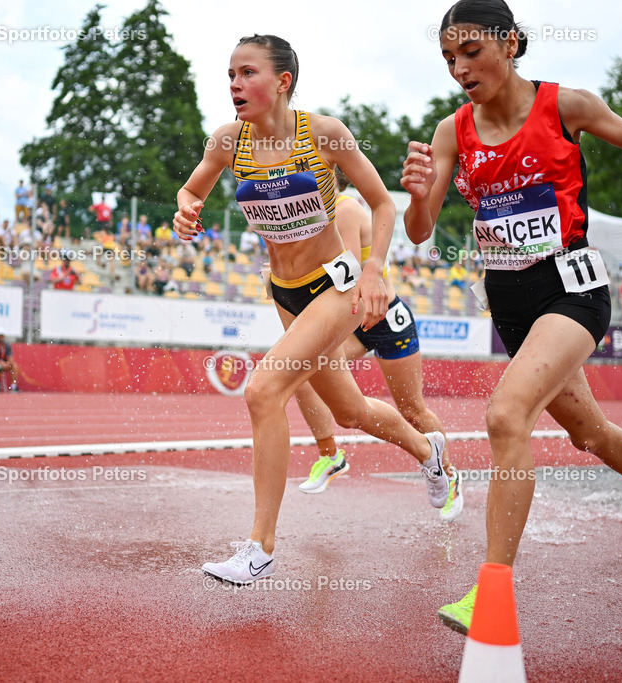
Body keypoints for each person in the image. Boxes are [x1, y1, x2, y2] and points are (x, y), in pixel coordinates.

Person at [403, 0, 622, 635]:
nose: (460, 68)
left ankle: (492, 592)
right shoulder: (449, 132)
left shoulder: (563, 105)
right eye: (448, 58)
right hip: (510, 303)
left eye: (471, 52)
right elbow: (419, 232)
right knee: (591, 435)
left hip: (572, 291)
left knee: (505, 414)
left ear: (512, 44)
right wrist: (415, 197)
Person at [175, 34, 447, 585]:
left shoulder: (323, 135)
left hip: (338, 287)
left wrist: (374, 270)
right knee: (348, 412)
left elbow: (382, 202)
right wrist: (186, 211)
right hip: (286, 291)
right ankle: (428, 454)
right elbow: (191, 192)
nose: (233, 84)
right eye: (229, 73)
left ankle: (259, 547)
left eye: (246, 73)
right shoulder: (227, 143)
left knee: (263, 390)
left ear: (283, 82)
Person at [287, 168, 464, 522]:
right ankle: (330, 455)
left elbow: (348, 275)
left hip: (382, 316)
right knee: (300, 370)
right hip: (352, 317)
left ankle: (448, 473)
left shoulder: (345, 208)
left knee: (412, 409)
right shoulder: (308, 217)